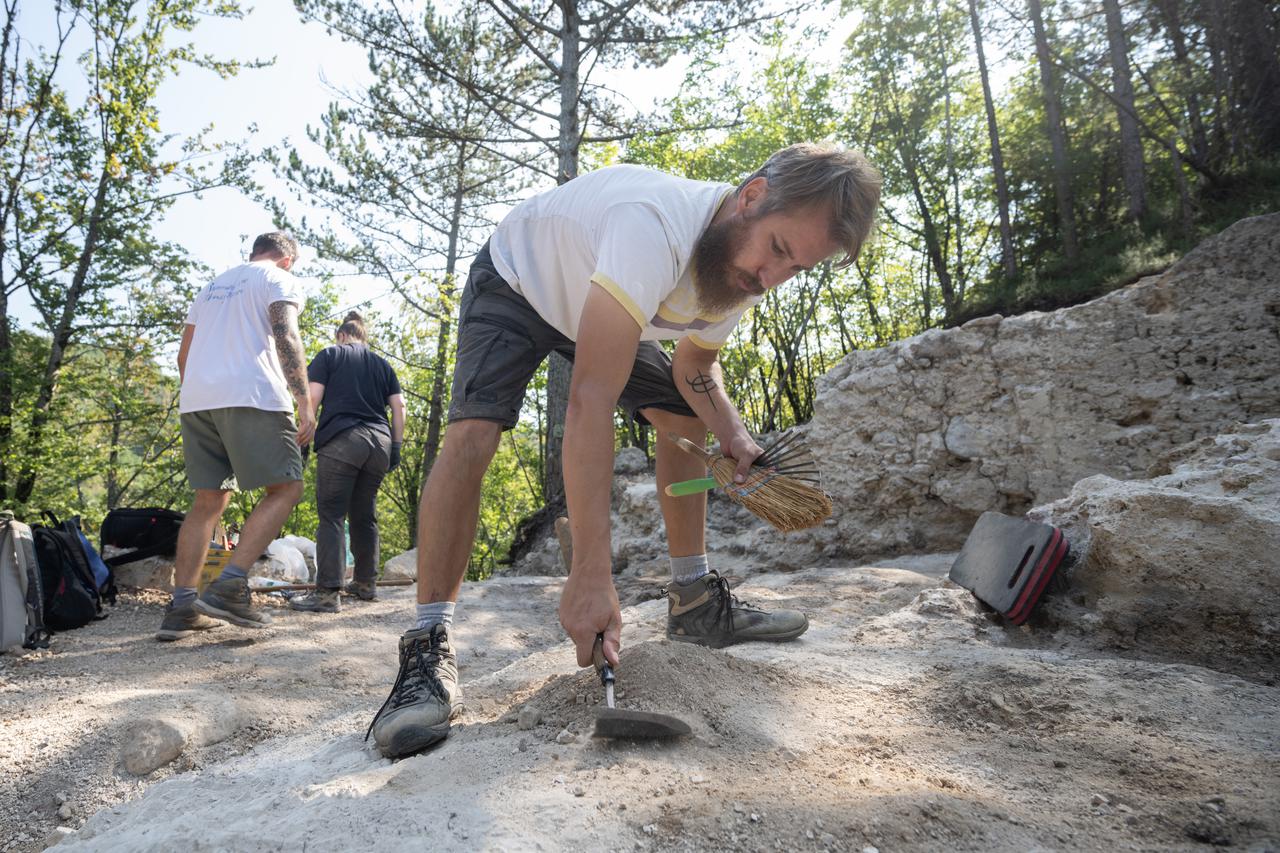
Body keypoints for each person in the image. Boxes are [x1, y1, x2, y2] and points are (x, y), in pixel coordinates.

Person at [367, 143, 881, 758]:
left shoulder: (742, 269)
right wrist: (590, 576)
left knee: (684, 418)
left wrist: (735, 436)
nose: (772, 279)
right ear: (751, 196)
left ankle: (692, 598)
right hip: (518, 281)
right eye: (777, 250)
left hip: (607, 307)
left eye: (796, 268)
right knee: (474, 434)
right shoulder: (653, 228)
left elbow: (696, 366)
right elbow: (590, 398)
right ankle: (427, 644)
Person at [155, 232, 314, 641]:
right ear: (287, 260)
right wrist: (305, 402)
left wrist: (200, 394)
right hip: (252, 394)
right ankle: (230, 584)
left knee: (209, 499)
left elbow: (183, 356)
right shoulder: (278, 279)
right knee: (286, 488)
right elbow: (286, 336)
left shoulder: (210, 288)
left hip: (197, 399)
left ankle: (182, 607)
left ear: (253, 253)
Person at [289, 311, 406, 614]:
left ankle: (327, 593)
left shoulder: (330, 355)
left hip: (343, 439)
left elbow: (312, 398)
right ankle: (366, 584)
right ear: (363, 337)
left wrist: (303, 434)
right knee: (364, 515)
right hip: (379, 443)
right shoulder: (382, 364)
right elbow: (399, 407)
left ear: (341, 335)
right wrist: (396, 446)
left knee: (331, 515)